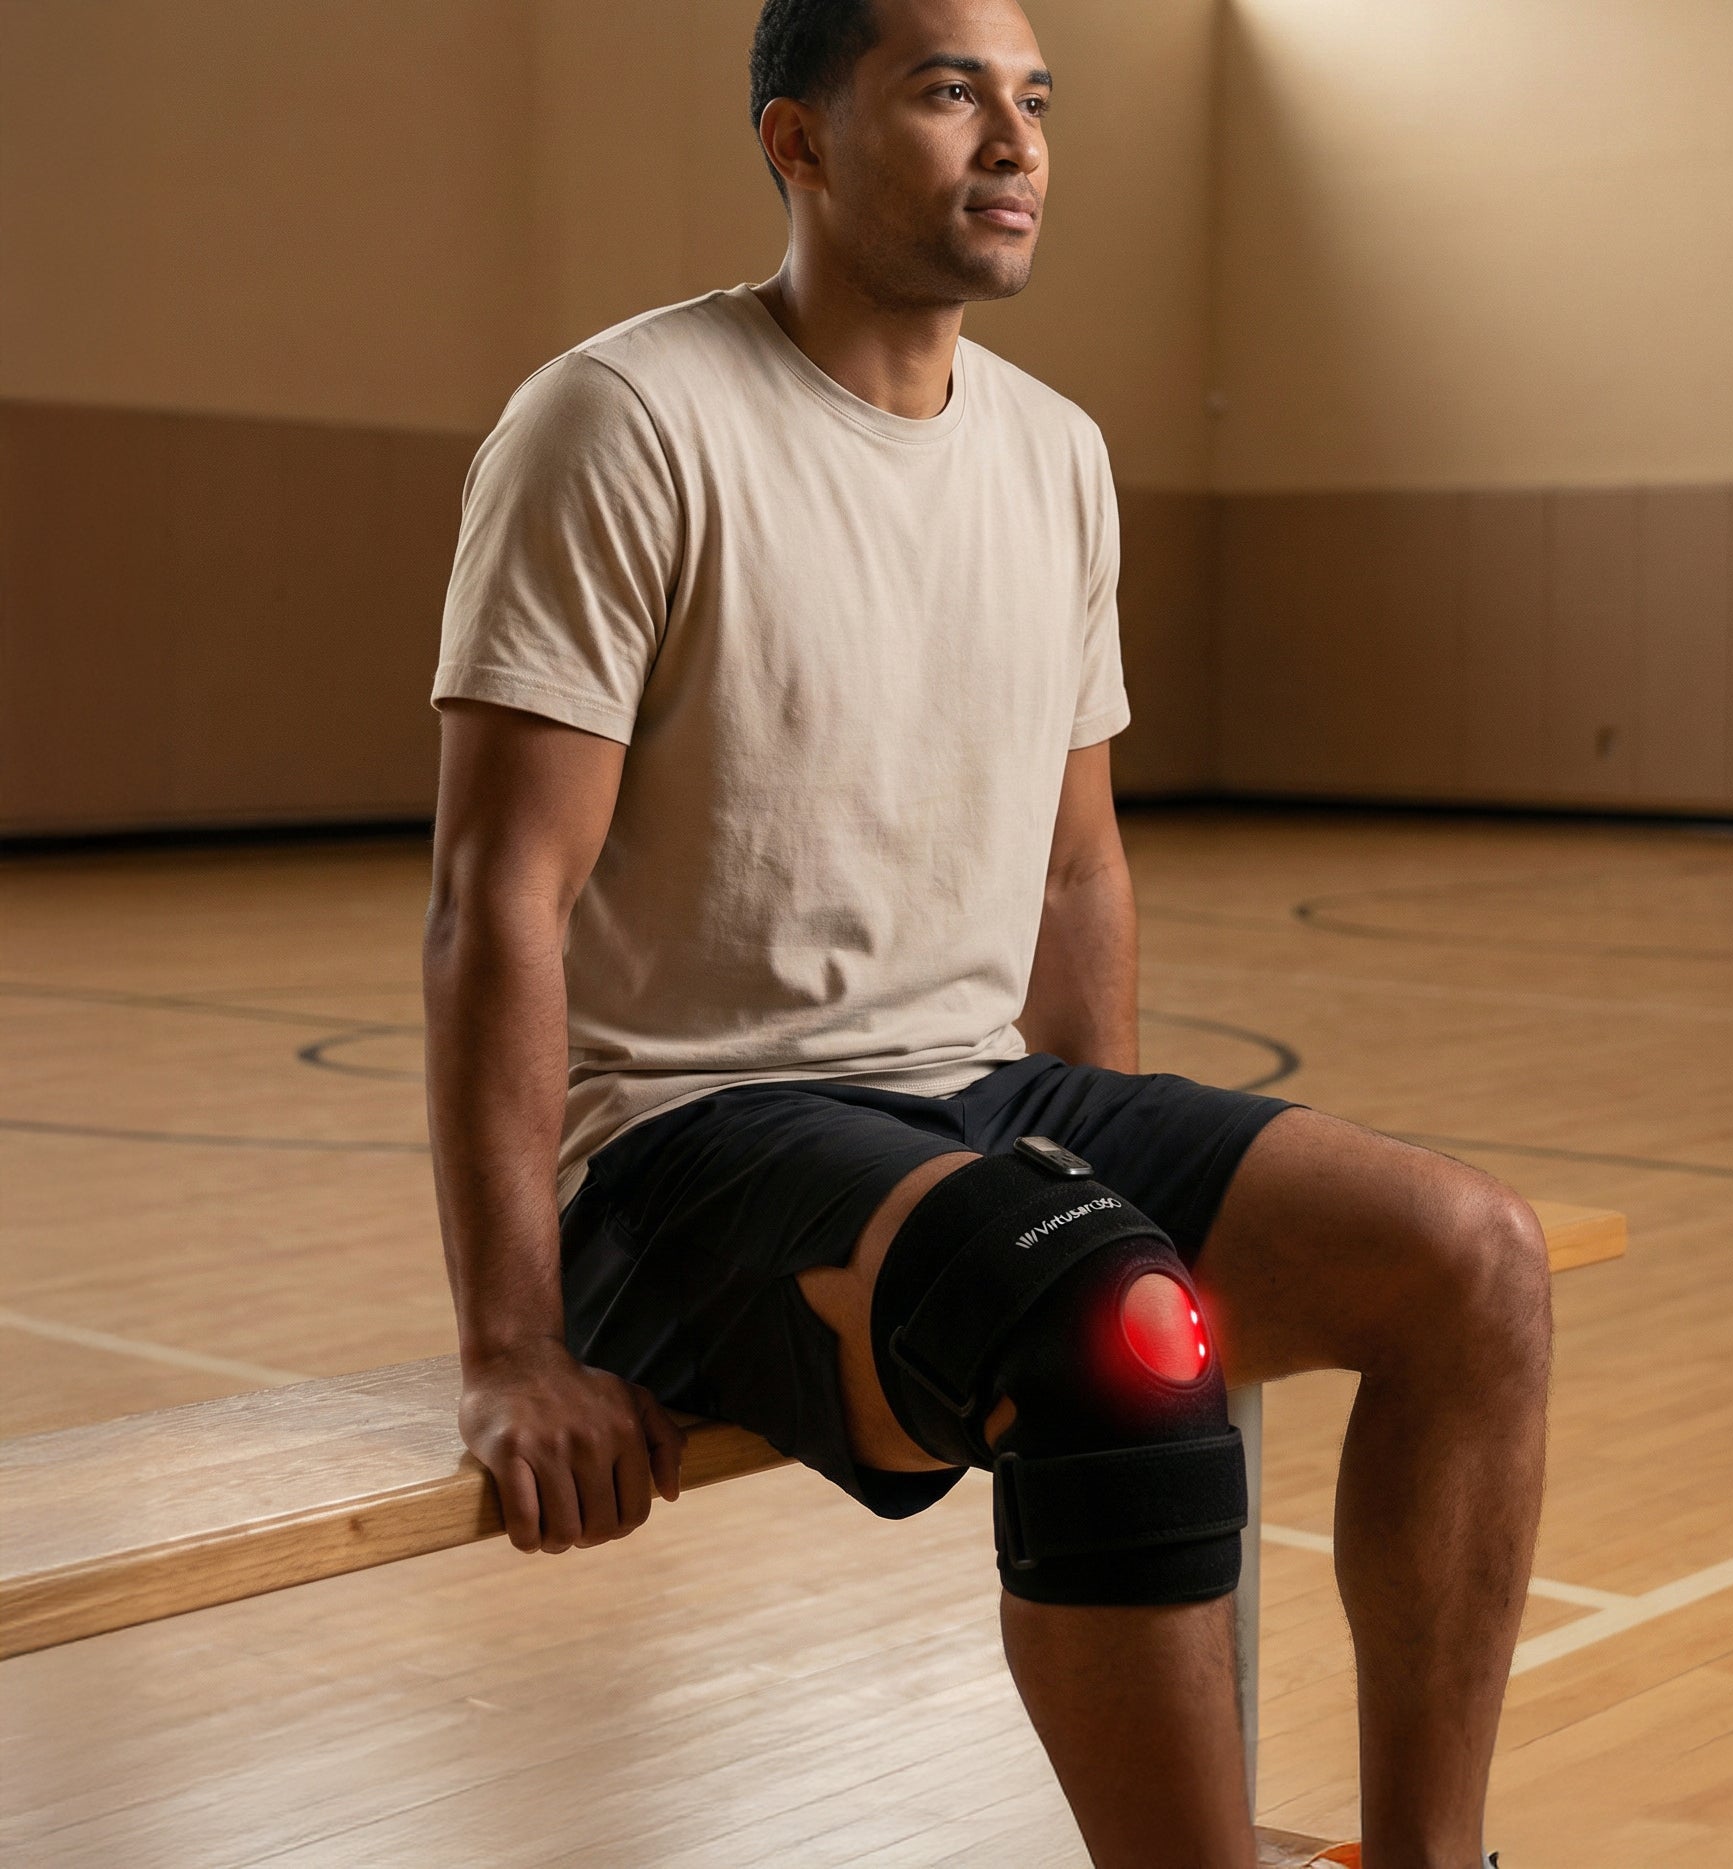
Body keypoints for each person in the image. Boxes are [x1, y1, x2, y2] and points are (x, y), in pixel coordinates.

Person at [422, 0, 1548, 1862]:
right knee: (1119, 1328)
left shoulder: (1058, 456)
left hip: (980, 1096)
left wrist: (1089, 1168)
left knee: (1475, 1263)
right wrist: (507, 1346)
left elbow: (1078, 869)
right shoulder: (621, 422)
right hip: (689, 1149)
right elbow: (497, 897)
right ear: (796, 142)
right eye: (951, 93)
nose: (1016, 140)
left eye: (1035, 100)